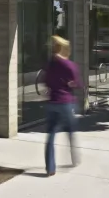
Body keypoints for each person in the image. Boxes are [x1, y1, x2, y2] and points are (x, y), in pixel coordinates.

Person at [44, 36, 81, 177]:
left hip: (52, 103)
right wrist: (70, 84)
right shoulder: (69, 65)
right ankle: (74, 158)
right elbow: (76, 83)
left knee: (51, 135)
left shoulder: (51, 64)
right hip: (65, 102)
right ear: (65, 49)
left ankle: (50, 168)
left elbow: (46, 82)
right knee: (70, 130)